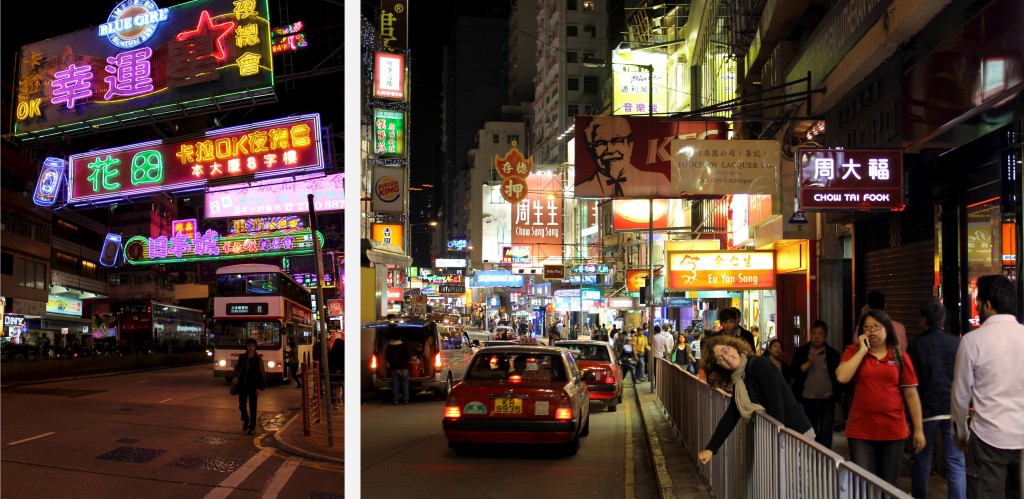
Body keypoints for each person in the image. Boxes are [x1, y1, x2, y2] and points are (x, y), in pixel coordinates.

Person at [951, 275, 1023, 499]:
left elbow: (960, 396)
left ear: (988, 305)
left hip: (987, 439)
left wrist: (961, 433)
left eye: (978, 302)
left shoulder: (973, 341)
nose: (978, 307)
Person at [836, 309, 926, 487]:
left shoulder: (899, 356)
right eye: (867, 327)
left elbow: (911, 394)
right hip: (860, 431)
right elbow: (842, 377)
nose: (872, 331)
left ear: (887, 329)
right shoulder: (853, 351)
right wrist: (862, 351)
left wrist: (918, 429)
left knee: (889, 484)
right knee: (863, 484)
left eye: (877, 326)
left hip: (893, 431)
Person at [696, 335, 813, 465]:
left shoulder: (759, 364)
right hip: (781, 435)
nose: (726, 358)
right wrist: (711, 448)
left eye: (725, 351)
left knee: (801, 482)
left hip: (794, 433)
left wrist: (777, 441)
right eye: (719, 359)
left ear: (735, 347)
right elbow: (733, 413)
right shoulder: (739, 378)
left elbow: (776, 403)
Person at [907, 300, 965, 499]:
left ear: (924, 319)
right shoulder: (956, 343)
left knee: (922, 460)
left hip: (926, 411)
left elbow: (910, 384)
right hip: (953, 410)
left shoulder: (916, 346)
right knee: (956, 461)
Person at [576, 115, 670, 197]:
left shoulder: (659, 182)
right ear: (591, 149)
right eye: (600, 143)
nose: (610, 150)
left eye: (617, 141)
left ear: (630, 144)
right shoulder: (582, 189)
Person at [790, 320, 841, 449]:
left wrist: (839, 395)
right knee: (809, 433)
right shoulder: (802, 352)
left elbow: (838, 377)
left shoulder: (833, 354)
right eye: (814, 333)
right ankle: (810, 461)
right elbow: (793, 372)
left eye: (820, 333)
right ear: (809, 334)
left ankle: (824, 463)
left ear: (825, 335)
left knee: (825, 434)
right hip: (807, 399)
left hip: (827, 399)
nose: (817, 336)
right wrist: (808, 362)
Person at [233, 338, 267, 435]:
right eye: (248, 345)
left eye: (252, 345)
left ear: (255, 347)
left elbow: (261, 373)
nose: (250, 347)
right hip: (242, 385)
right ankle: (246, 418)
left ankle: (252, 427)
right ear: (246, 347)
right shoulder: (242, 357)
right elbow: (237, 368)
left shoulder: (257, 359)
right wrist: (235, 376)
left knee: (253, 408)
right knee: (242, 405)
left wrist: (259, 387)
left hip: (253, 386)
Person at [385, 336, 411, 405]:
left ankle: (396, 400)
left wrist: (391, 363)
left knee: (395, 384)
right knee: (405, 384)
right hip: (404, 368)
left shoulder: (390, 347)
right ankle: (405, 400)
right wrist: (405, 362)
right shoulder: (404, 346)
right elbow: (409, 355)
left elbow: (387, 356)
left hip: (394, 368)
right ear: (400, 338)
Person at [328, 337, 344, 410]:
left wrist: (335, 369)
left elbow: (329, 364)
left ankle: (336, 404)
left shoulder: (330, 352)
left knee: (336, 389)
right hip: (343, 374)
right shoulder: (344, 352)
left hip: (334, 374)